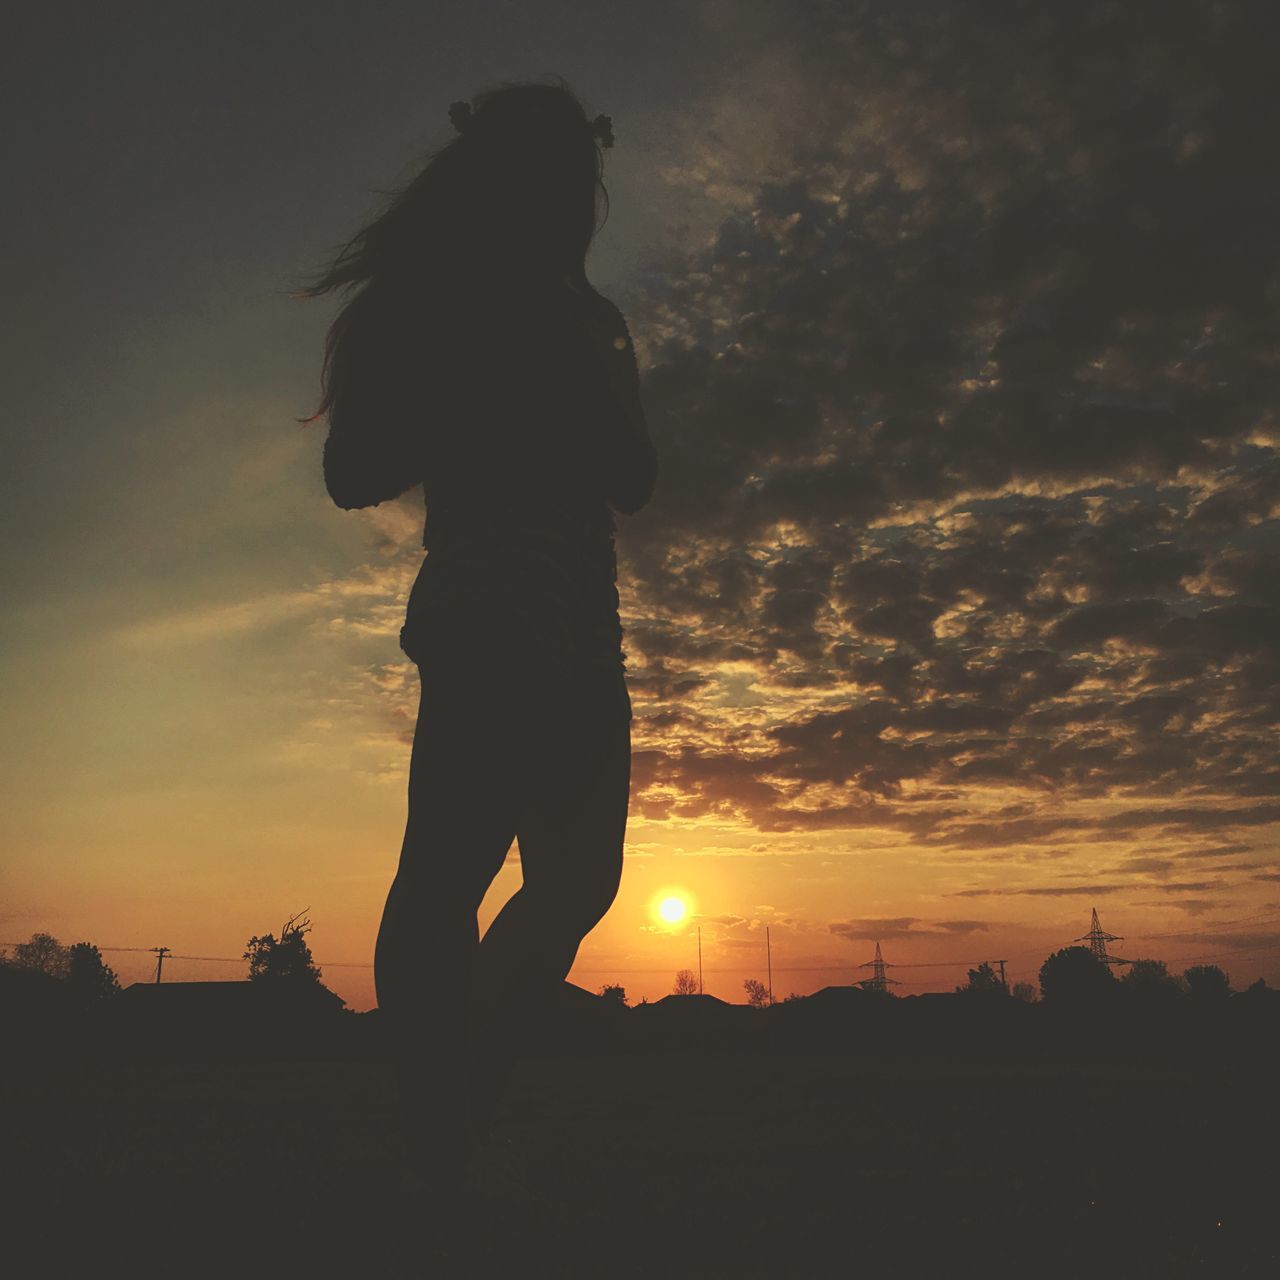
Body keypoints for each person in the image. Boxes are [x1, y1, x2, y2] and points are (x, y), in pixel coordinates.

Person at [293, 77, 657, 1246]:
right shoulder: (437, 303)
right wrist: (471, 382)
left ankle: (452, 1137)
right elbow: (355, 465)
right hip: (486, 602)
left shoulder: (590, 318)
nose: (576, 205)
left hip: (582, 620)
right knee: (449, 873)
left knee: (574, 886)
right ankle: (444, 1158)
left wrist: (588, 391)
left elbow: (634, 475)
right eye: (559, 182)